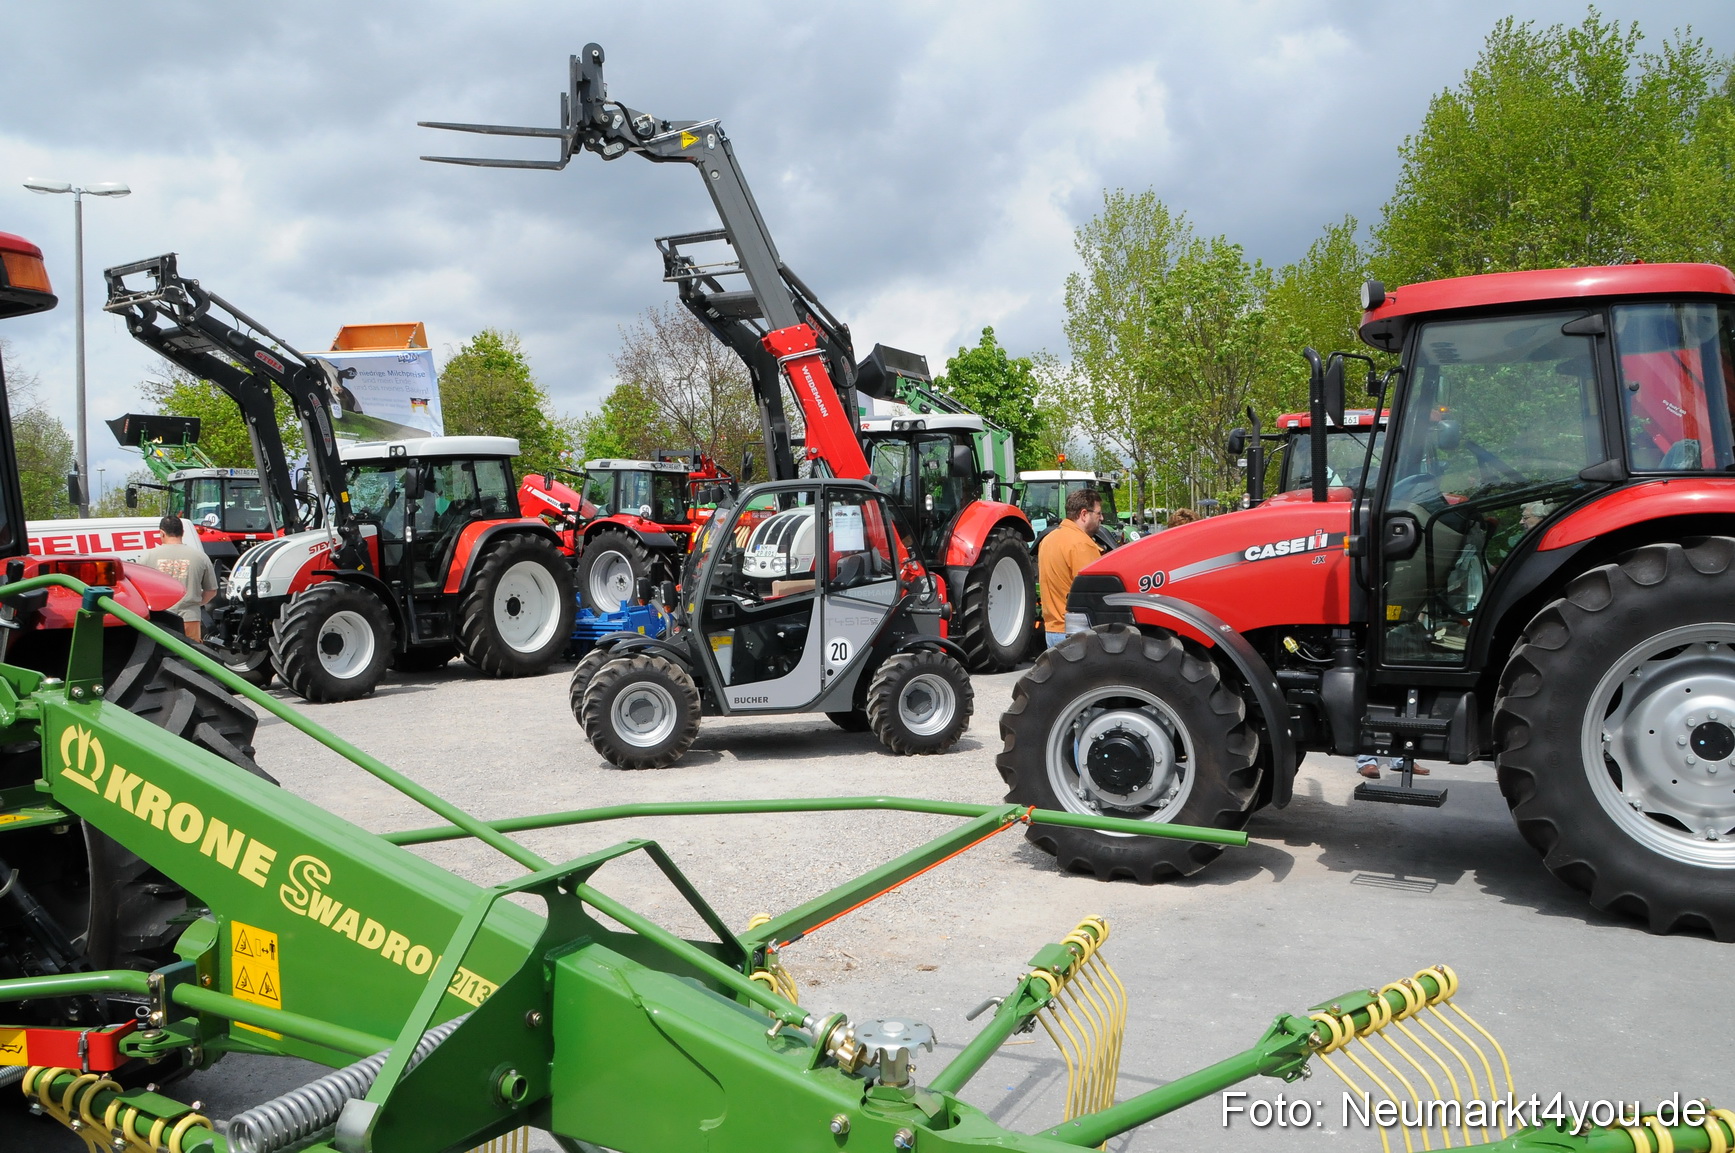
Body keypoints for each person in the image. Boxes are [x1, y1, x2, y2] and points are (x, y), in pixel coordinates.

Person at [1038, 487, 1104, 649]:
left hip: (1053, 631)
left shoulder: (1048, 539)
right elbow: (1094, 593)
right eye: (1098, 513)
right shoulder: (1082, 544)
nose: (1101, 518)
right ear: (1083, 514)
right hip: (1076, 634)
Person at [142, 515, 218, 642]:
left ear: (161, 533)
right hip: (190, 617)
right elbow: (211, 591)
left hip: (161, 619)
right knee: (190, 655)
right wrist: (194, 604)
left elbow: (139, 590)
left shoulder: (148, 557)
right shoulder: (200, 557)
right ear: (182, 532)